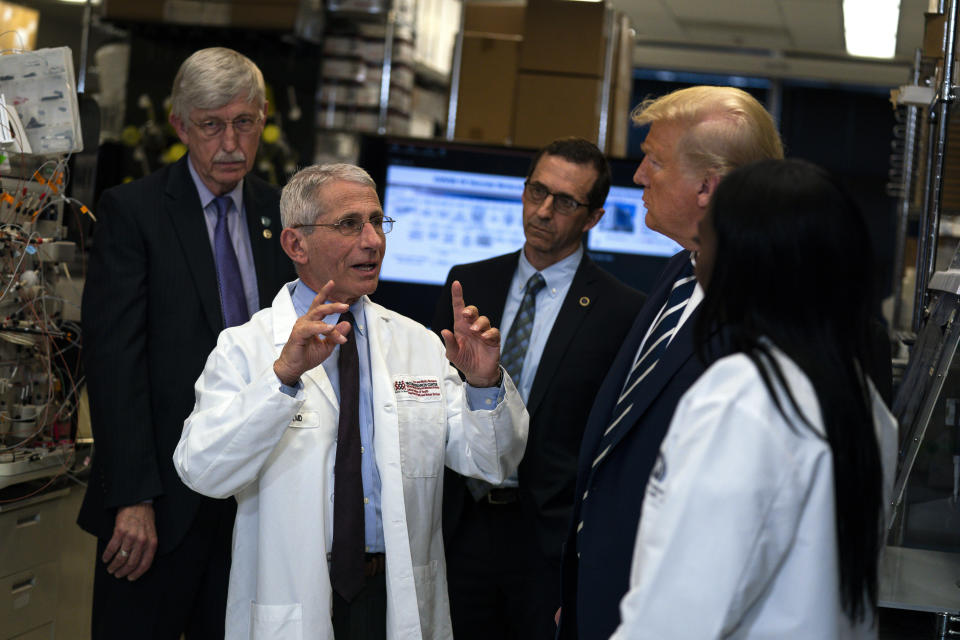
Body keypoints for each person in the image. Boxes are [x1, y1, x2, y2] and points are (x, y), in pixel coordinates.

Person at [173, 163, 529, 640]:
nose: (373, 241)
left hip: (394, 594)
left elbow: (490, 461)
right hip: (295, 597)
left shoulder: (417, 344)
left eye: (378, 222)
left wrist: (484, 384)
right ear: (296, 244)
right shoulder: (247, 346)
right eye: (349, 225)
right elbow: (202, 470)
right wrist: (283, 376)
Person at [610, 158, 898, 639]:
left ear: (749, 264)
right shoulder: (860, 398)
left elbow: (677, 615)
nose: (697, 260)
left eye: (705, 243)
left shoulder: (743, 400)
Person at [77, 47, 294, 638]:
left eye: (244, 123)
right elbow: (115, 365)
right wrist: (133, 497)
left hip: (256, 505)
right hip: (156, 509)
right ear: (180, 126)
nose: (230, 143)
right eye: (211, 125)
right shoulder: (134, 212)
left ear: (264, 118)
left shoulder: (283, 215)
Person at [556, 86, 785, 640]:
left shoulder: (763, 317)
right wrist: (583, 588)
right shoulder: (680, 272)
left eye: (655, 161)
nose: (638, 176)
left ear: (709, 186)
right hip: (603, 598)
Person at [431, 137, 645, 639]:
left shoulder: (623, 311)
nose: (543, 211)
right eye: (536, 192)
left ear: (593, 217)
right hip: (458, 525)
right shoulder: (468, 283)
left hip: (548, 542)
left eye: (565, 201)